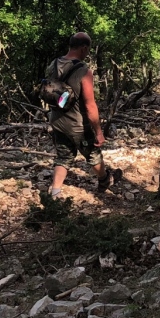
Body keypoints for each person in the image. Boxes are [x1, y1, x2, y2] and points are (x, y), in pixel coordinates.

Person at [47, 32, 114, 197]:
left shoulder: (53, 64)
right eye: (88, 49)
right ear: (84, 48)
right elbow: (90, 105)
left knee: (63, 156)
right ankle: (104, 180)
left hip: (56, 119)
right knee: (93, 153)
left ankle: (54, 193)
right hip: (77, 123)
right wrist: (98, 132)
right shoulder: (84, 71)